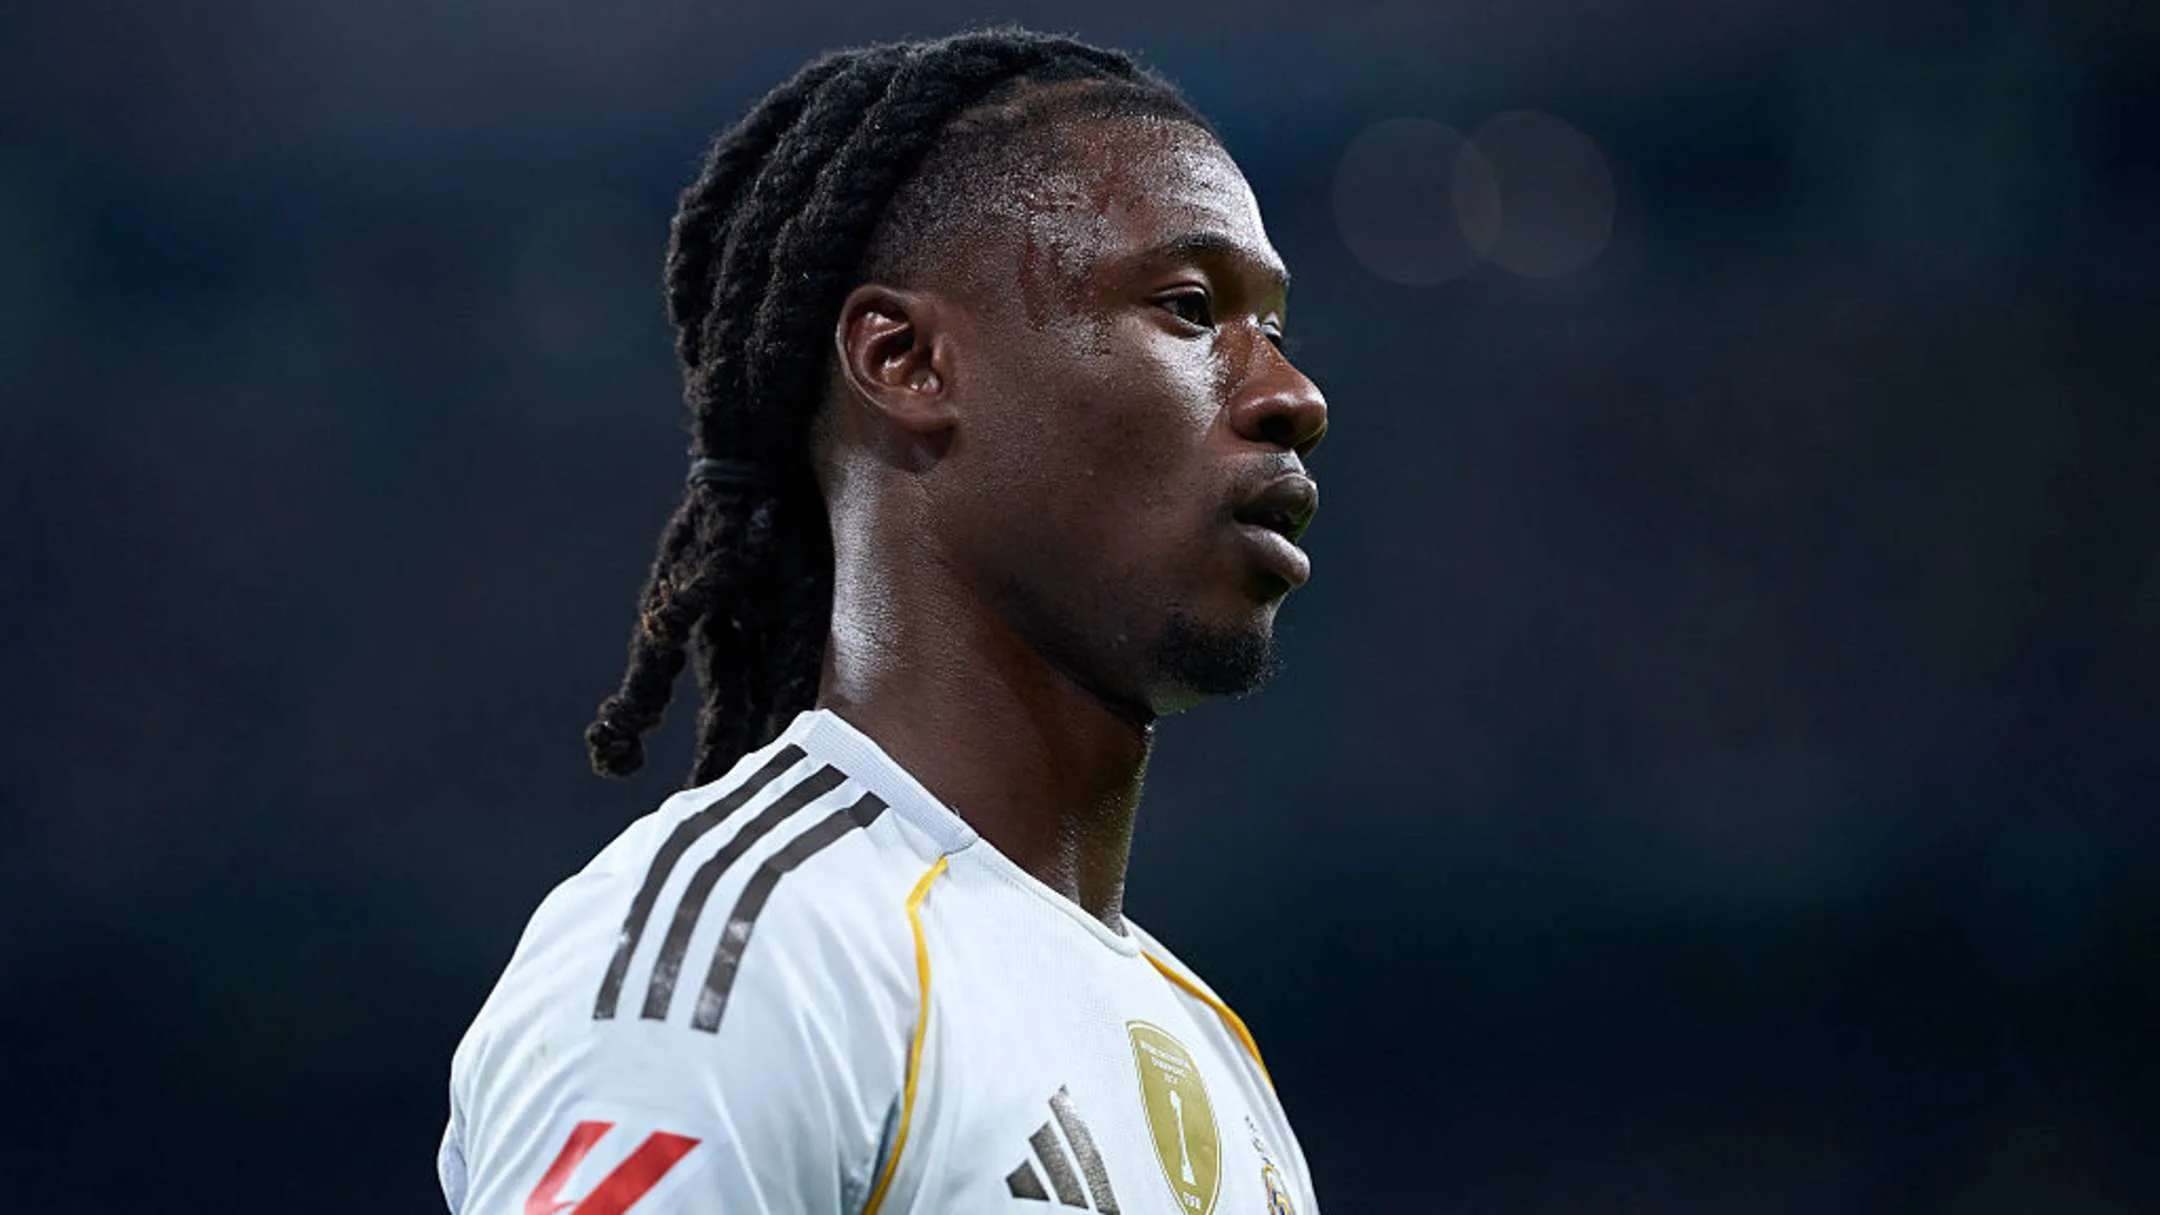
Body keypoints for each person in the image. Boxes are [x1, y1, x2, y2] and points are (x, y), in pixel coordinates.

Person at [439, 27, 1328, 1215]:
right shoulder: (755, 958)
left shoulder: (1203, 1043)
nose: (1291, 396)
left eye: (1276, 331)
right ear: (907, 361)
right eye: (1189, 307)